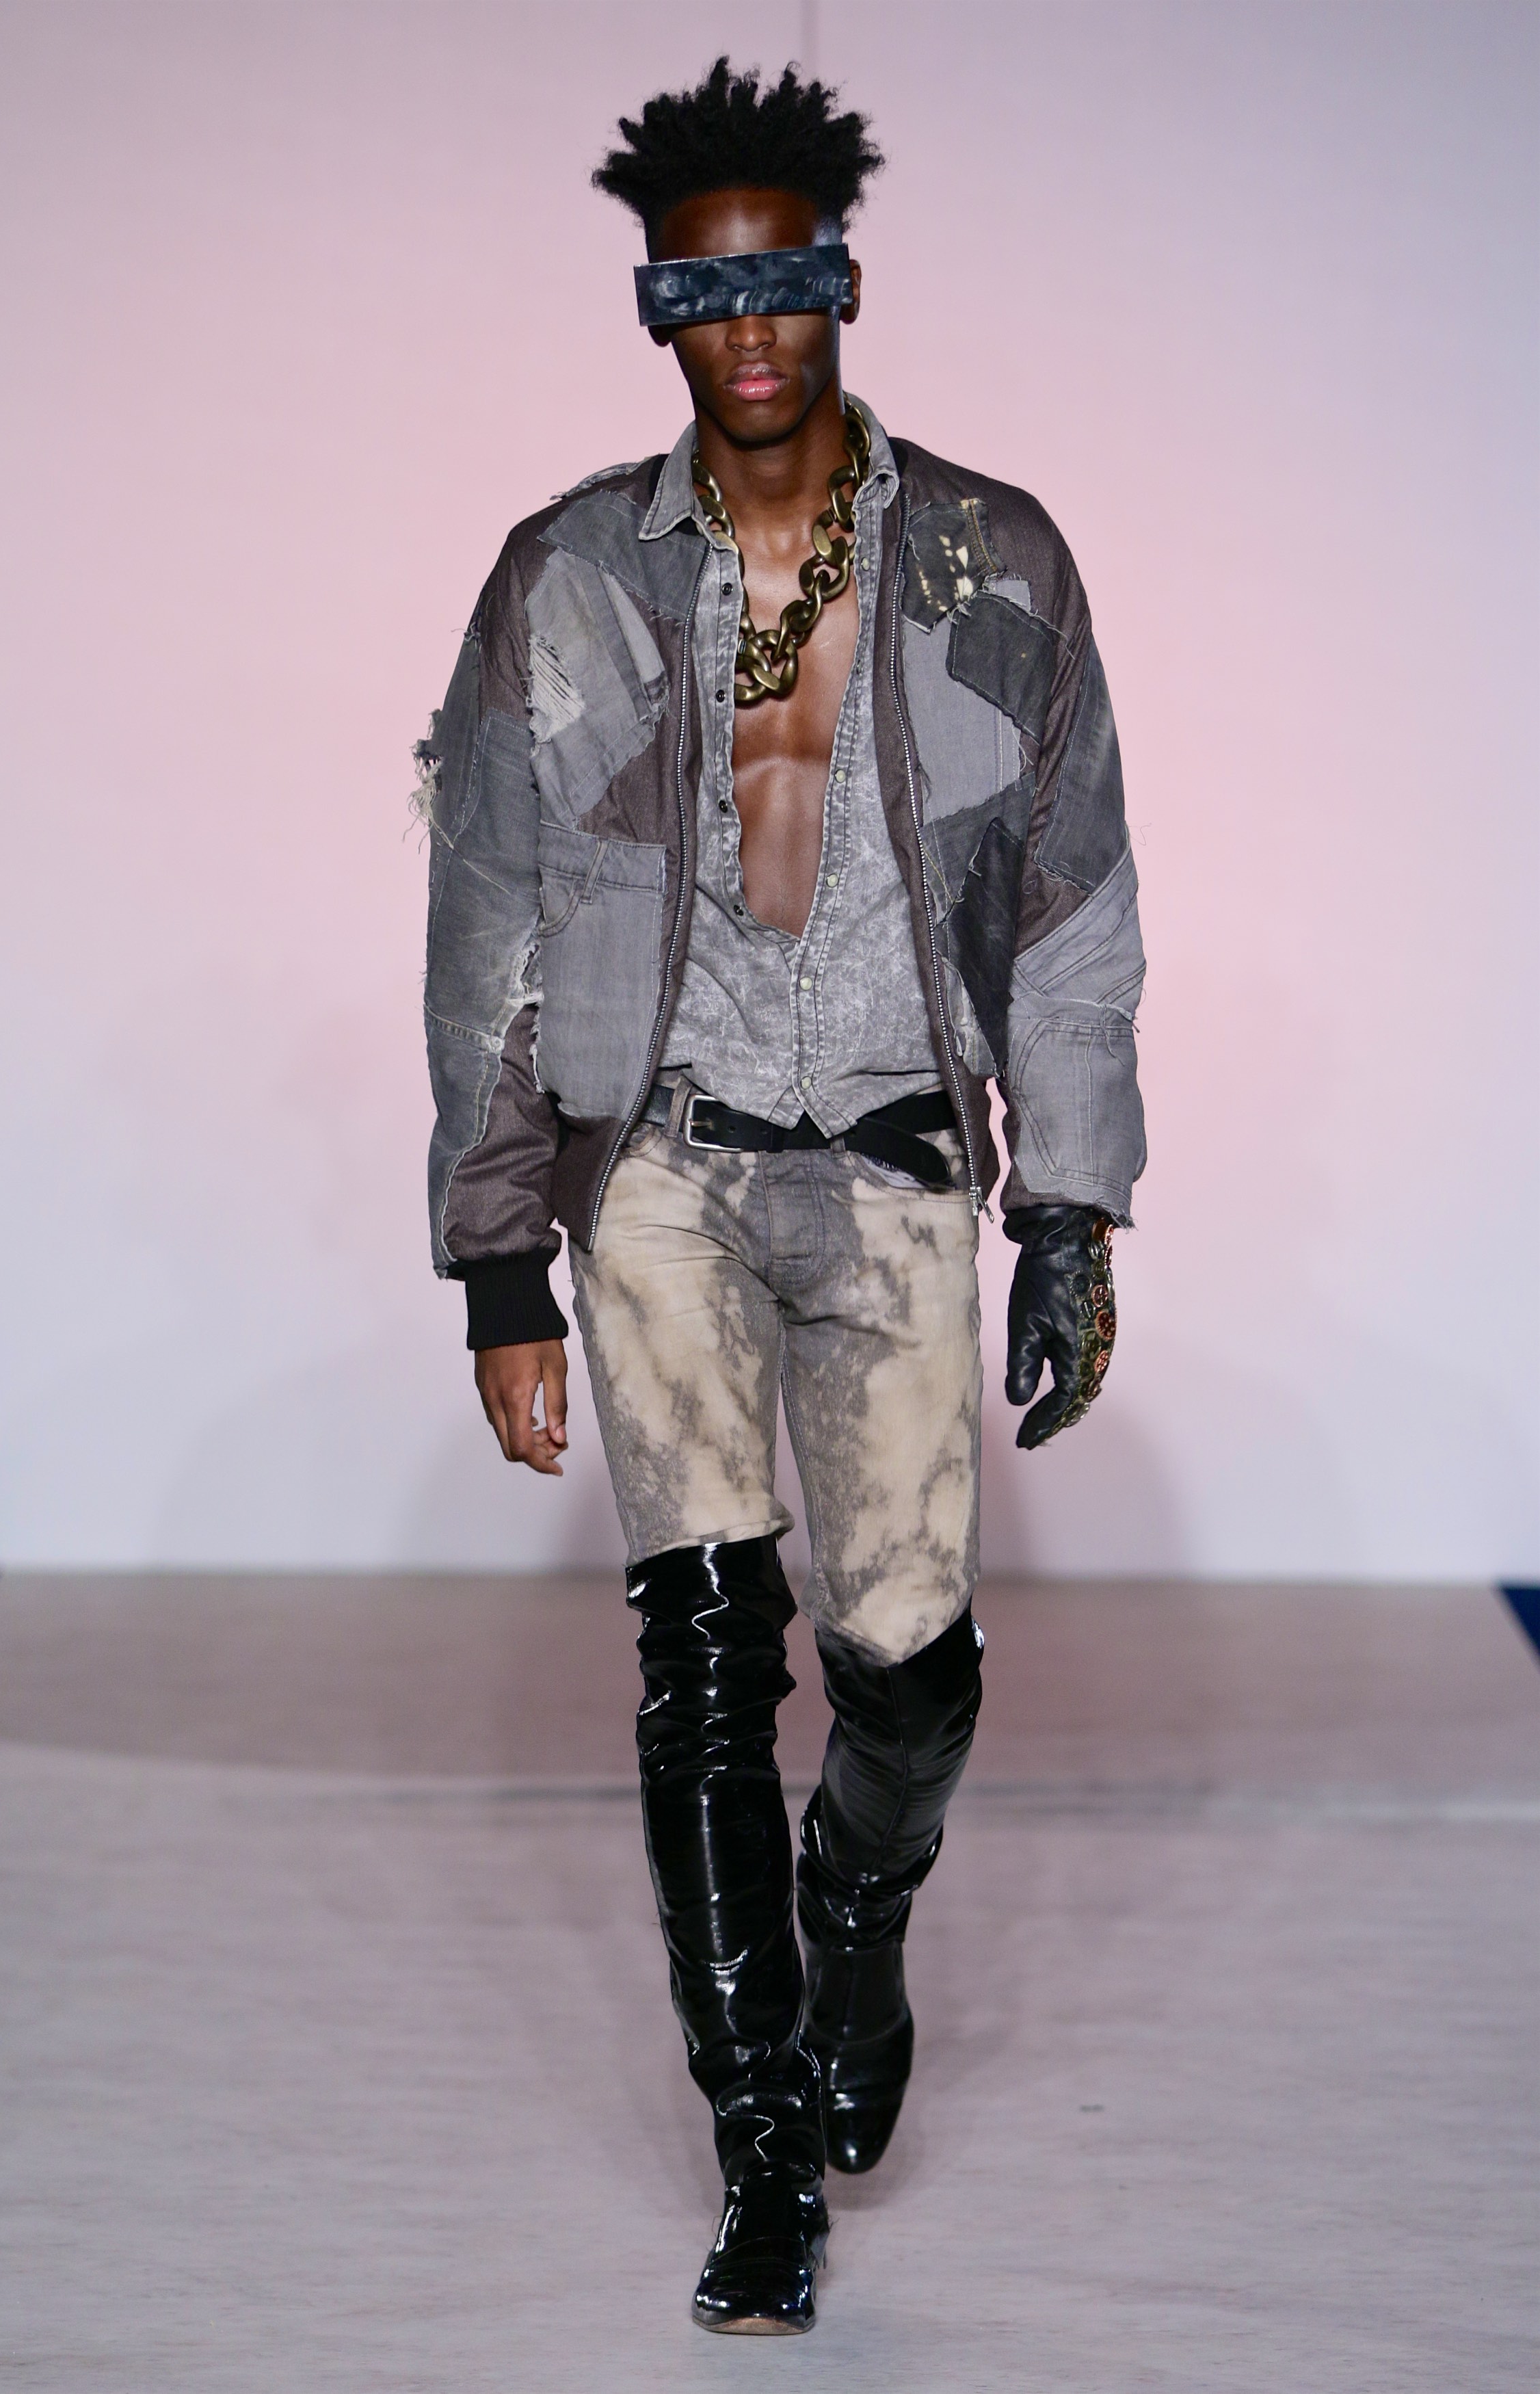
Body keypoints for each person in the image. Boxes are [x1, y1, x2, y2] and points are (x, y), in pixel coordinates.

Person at [416, 57, 1145, 2335]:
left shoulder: (995, 561)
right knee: (705, 1657)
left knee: (906, 1662)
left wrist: (1072, 1207)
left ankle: (862, 1913)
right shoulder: (565, 578)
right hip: (659, 1166)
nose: (744, 327)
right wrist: (498, 1254)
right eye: (695, 290)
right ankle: (759, 2145)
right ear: (650, 305)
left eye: (784, 278)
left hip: (903, 1163)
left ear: (845, 281)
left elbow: (1073, 912)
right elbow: (487, 923)